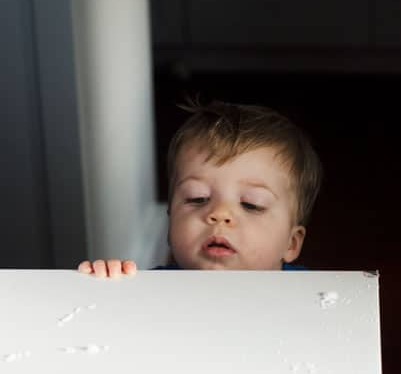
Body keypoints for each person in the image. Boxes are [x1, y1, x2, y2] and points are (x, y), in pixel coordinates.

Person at [78, 99, 322, 277]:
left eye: (251, 204)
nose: (220, 214)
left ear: (291, 243)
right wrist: (108, 286)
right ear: (170, 223)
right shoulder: (153, 290)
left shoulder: (310, 295)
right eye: (197, 198)